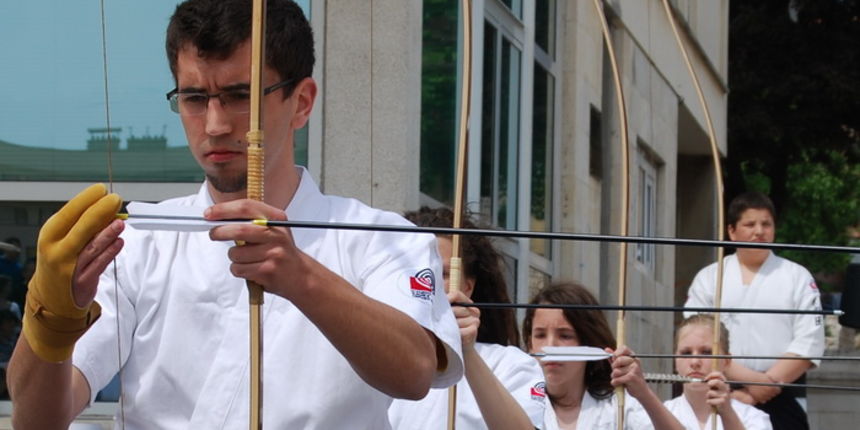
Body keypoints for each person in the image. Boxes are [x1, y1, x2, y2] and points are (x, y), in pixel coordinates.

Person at [7, 1, 463, 429]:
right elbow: (39, 419)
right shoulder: (140, 239)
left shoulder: (379, 238)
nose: (215, 124)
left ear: (301, 102)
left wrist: (301, 277)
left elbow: (415, 372)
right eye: (193, 98)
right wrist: (51, 315)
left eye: (239, 95)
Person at [389, 207, 545, 429]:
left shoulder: (510, 364)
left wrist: (466, 353)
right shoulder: (369, 356)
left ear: (467, 287)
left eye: (442, 273)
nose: (427, 283)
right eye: (416, 270)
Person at [684, 192, 824, 430]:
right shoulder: (709, 278)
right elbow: (696, 338)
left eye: (766, 224)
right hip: (719, 390)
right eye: (750, 224)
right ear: (731, 230)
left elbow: (808, 342)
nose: (759, 231)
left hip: (780, 393)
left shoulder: (797, 276)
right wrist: (752, 382)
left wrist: (757, 392)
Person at [524, 282, 684, 430]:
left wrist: (643, 393)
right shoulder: (519, 400)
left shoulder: (617, 404)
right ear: (530, 344)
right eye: (540, 335)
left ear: (589, 341)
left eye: (565, 336)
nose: (550, 346)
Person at [664, 314, 772, 430]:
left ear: (726, 361)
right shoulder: (655, 415)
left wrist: (727, 412)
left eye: (706, 352)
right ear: (675, 360)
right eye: (686, 353)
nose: (694, 361)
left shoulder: (753, 418)